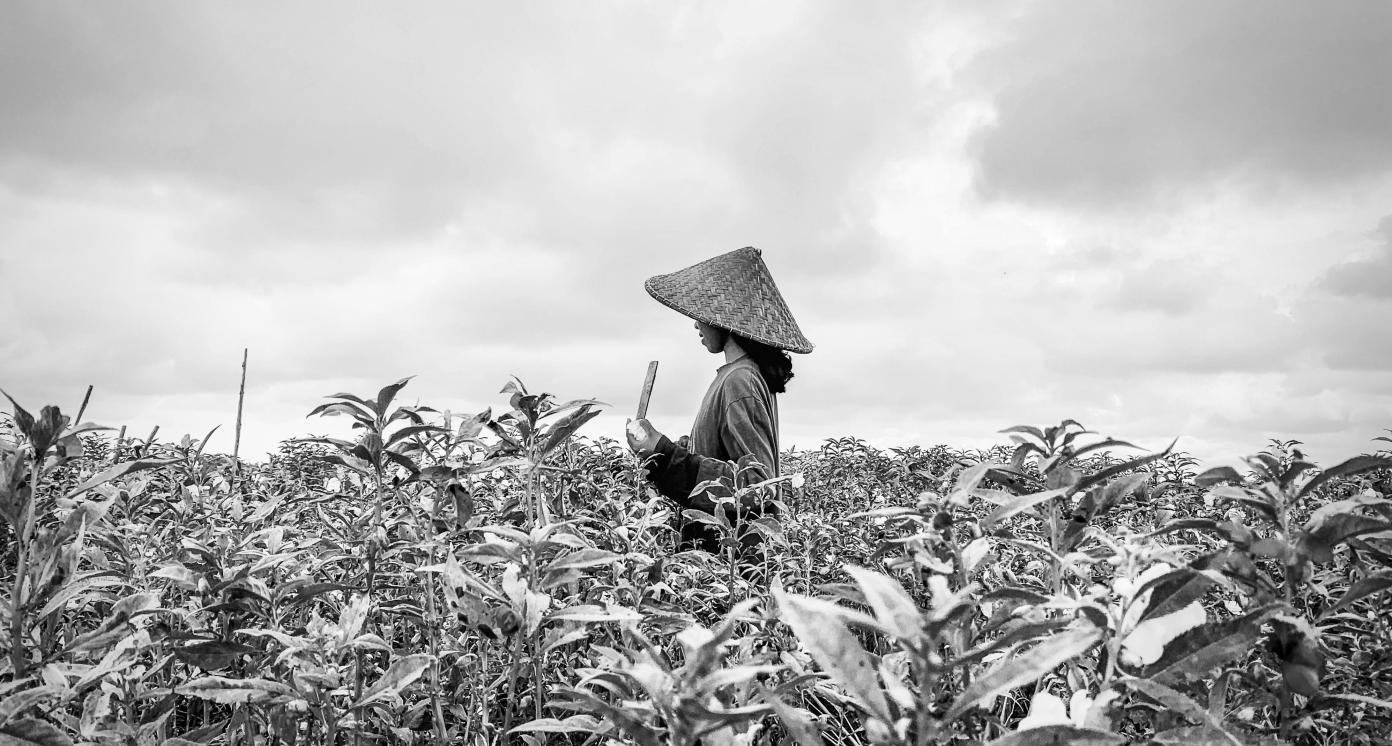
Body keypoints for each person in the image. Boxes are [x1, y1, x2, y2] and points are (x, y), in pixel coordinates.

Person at [625, 247, 814, 555]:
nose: (696, 323)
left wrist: (662, 450)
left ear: (721, 318)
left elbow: (757, 484)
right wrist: (662, 452)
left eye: (701, 314)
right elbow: (723, 458)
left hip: (732, 562)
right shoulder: (737, 376)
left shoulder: (741, 380)